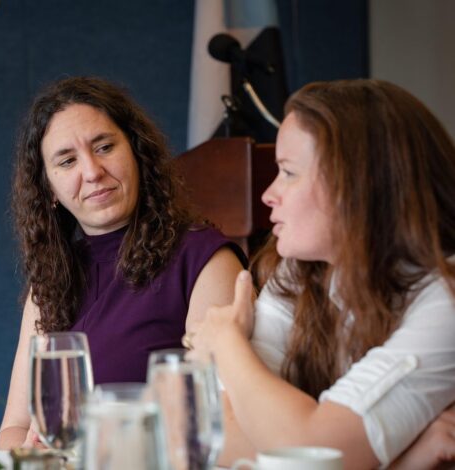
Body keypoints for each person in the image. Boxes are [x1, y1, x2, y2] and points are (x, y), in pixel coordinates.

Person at [186, 79, 455, 469]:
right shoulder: (300, 271)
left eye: (288, 172)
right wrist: (401, 463)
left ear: (359, 185)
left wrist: (225, 341)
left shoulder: (445, 300)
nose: (268, 194)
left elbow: (309, 449)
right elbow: (206, 430)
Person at [0, 77, 246, 449]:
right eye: (67, 161)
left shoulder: (205, 260)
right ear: (49, 189)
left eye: (104, 147)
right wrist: (31, 453)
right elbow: (14, 428)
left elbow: (211, 423)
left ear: (136, 151)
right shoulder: (49, 282)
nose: (92, 171)